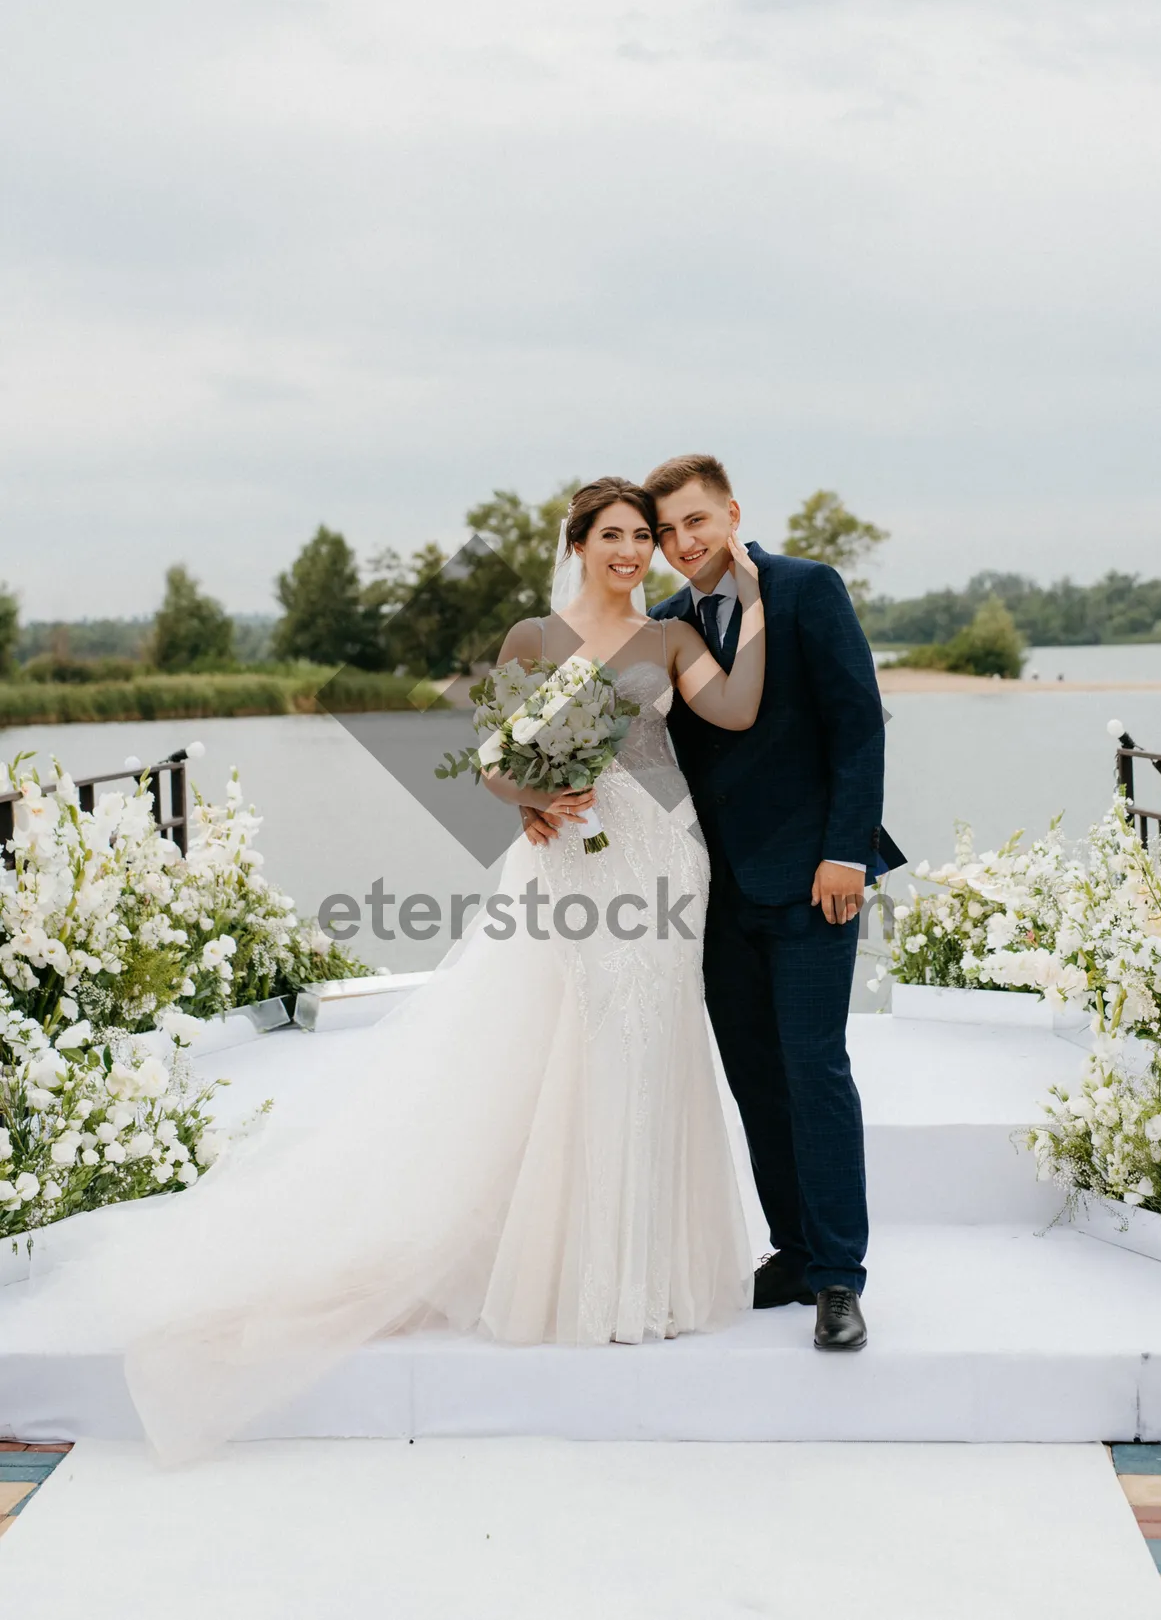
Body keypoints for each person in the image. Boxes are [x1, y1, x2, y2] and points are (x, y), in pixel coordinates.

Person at [21, 478, 766, 1465]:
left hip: (668, 858)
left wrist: (750, 601)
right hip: (572, 854)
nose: (633, 551)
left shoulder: (673, 638)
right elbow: (494, 758)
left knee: (654, 1046)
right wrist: (527, 799)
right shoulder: (531, 639)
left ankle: (649, 1279)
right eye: (616, 536)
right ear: (580, 543)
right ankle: (578, 1274)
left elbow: (740, 710)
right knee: (582, 1045)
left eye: (645, 537)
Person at [538, 454, 904, 1352]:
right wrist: (536, 794)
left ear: (731, 512)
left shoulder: (806, 587)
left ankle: (837, 1280)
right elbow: (611, 749)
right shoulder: (661, 624)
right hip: (704, 890)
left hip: (816, 878)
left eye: (695, 521)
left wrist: (845, 851)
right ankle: (791, 1248)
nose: (681, 542)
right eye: (665, 531)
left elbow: (857, 724)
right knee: (753, 1074)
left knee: (813, 1067)